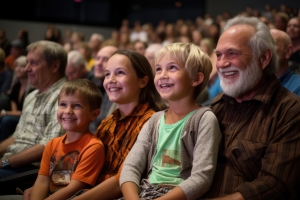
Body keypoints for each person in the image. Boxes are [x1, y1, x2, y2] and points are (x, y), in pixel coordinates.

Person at [204, 15, 300, 199]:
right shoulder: (217, 104)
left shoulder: (290, 111)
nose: (222, 64)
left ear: (263, 58)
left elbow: (274, 186)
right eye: (218, 55)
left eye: (232, 53)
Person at [119, 43, 221, 200]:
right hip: (145, 191)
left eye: (172, 68)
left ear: (196, 78)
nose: (162, 75)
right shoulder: (154, 120)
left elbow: (201, 178)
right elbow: (131, 167)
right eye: (158, 69)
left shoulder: (204, 119)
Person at [69, 49, 167, 200]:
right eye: (107, 74)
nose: (111, 80)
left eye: (120, 73)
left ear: (143, 81)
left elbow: (122, 181)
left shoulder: (151, 121)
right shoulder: (108, 121)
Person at [28, 79, 105, 200]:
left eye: (77, 105)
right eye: (63, 104)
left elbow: (73, 189)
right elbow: (42, 182)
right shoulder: (52, 144)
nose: (68, 111)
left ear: (94, 114)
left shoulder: (93, 147)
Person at [0, 40, 67, 178]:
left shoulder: (66, 97)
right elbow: (16, 137)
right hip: (13, 163)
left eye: (34, 63)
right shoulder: (31, 95)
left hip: (32, 171)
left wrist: (5, 162)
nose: (26, 68)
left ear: (55, 66)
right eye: (27, 62)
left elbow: (50, 147)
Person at [0, 56, 35, 141]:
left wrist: (4, 112)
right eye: (16, 66)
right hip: (17, 116)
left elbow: (26, 113)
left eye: (22, 66)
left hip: (29, 118)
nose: (18, 69)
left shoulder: (33, 89)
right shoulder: (16, 87)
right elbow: (14, 110)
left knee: (6, 119)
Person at [88, 45, 118, 133]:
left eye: (105, 59)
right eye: (97, 58)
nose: (99, 63)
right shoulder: (89, 85)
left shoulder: (118, 92)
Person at [270, 29, 300, 95]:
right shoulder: (253, 83)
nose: (264, 48)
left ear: (288, 51)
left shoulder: (298, 86)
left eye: (272, 43)